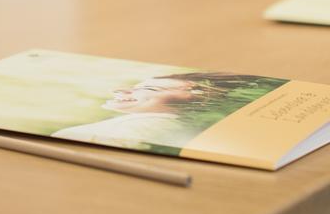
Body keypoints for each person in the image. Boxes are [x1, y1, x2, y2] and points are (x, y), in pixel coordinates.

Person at [52, 72, 287, 151]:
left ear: (192, 94)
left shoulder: (138, 128)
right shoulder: (144, 123)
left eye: (149, 88)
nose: (121, 90)